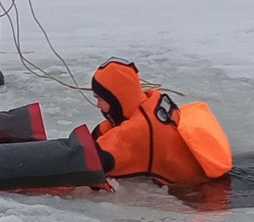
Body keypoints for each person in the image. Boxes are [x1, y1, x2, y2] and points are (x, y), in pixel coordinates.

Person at [89, 58, 232, 184]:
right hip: (207, 176)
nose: (98, 105)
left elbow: (91, 163)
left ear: (116, 100)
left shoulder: (140, 129)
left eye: (101, 99)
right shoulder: (152, 102)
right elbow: (107, 132)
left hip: (202, 194)